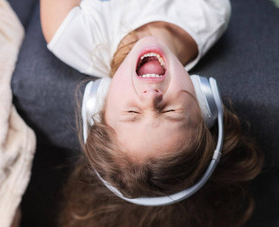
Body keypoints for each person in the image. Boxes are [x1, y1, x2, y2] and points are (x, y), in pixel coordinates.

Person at [40, 0, 263, 226]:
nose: (151, 97)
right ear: (202, 99)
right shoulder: (210, 13)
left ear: (100, 104)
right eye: (170, 111)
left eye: (132, 112)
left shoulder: (71, 35)